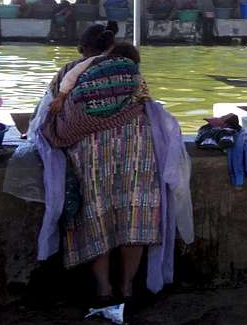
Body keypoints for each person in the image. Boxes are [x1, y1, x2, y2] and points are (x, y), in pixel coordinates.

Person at [31, 24, 189, 307]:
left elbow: (45, 115)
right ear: (110, 46)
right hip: (137, 150)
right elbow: (147, 106)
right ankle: (127, 288)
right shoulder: (128, 68)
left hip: (90, 154)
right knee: (135, 215)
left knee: (96, 216)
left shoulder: (67, 71)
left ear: (82, 48)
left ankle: (104, 289)